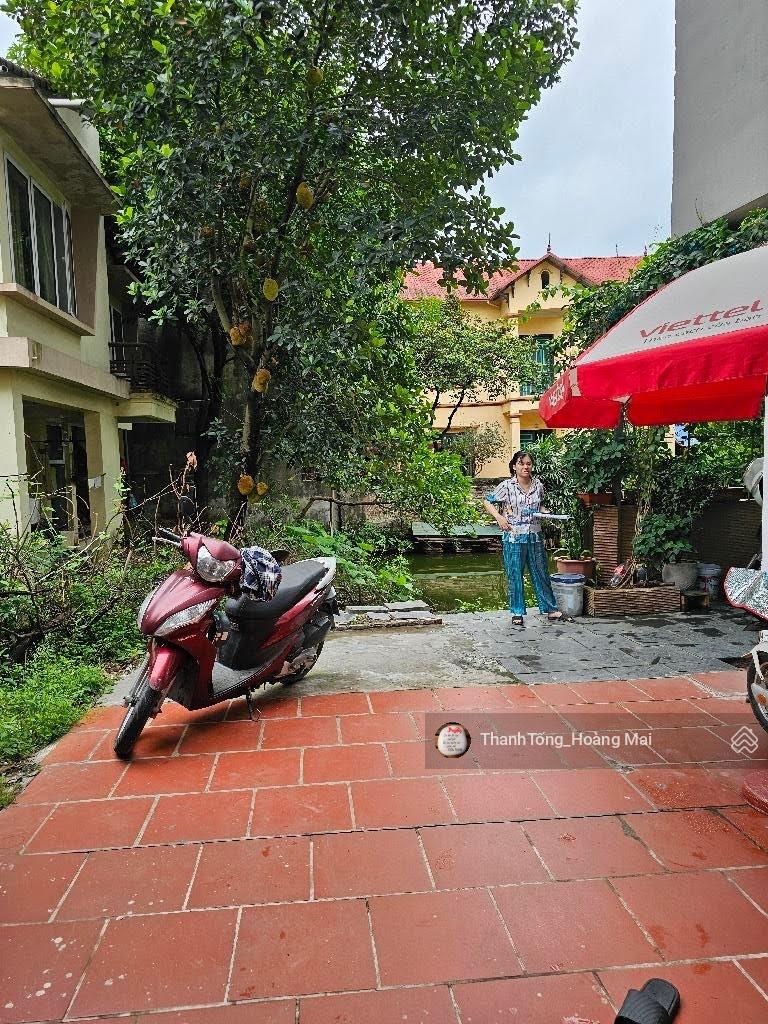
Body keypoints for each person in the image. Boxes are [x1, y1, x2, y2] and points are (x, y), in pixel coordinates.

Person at [482, 450, 568, 626]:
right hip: (513, 537)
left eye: (528, 463)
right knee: (515, 574)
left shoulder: (538, 485)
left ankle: (551, 609)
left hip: (535, 535)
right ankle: (517, 612)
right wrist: (499, 518)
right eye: (521, 463)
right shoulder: (507, 486)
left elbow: (540, 506)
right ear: (514, 466)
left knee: (541, 572)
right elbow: (487, 501)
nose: (525, 467)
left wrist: (546, 512)